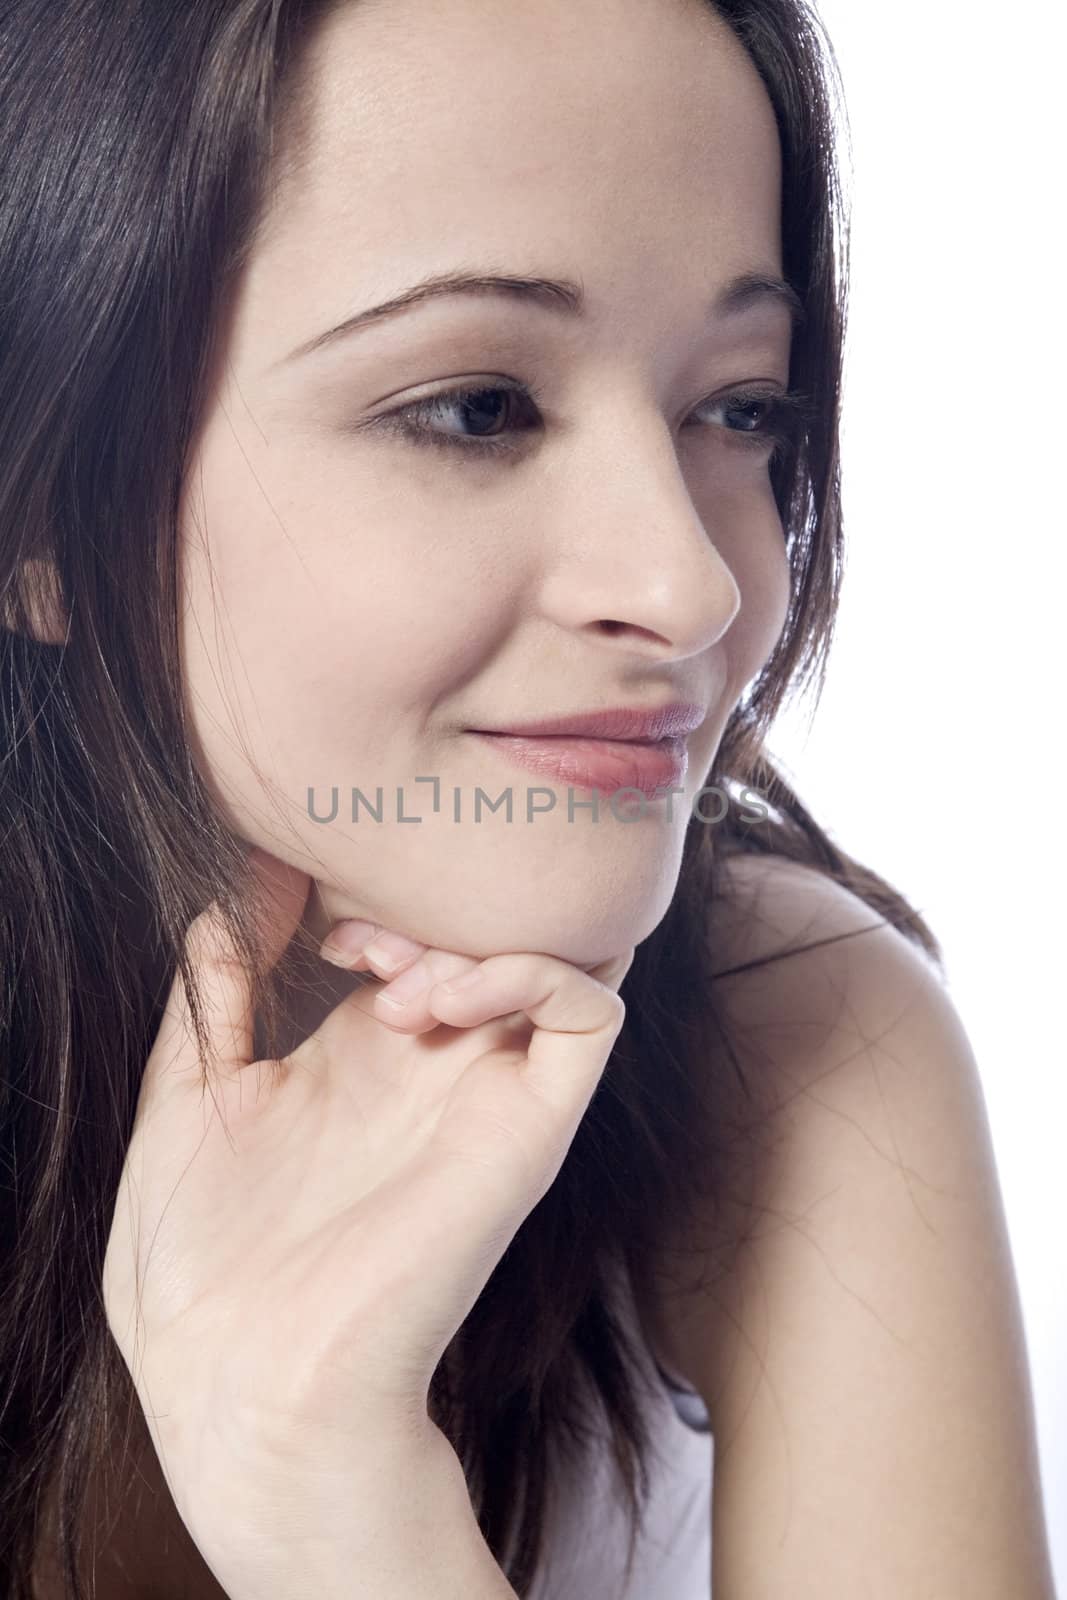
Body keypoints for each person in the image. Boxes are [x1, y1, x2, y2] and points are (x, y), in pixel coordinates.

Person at [0, 0, 1056, 1596]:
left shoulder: (795, 1035)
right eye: (478, 407)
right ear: (45, 516)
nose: (688, 580)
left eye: (740, 407)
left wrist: (331, 1495)